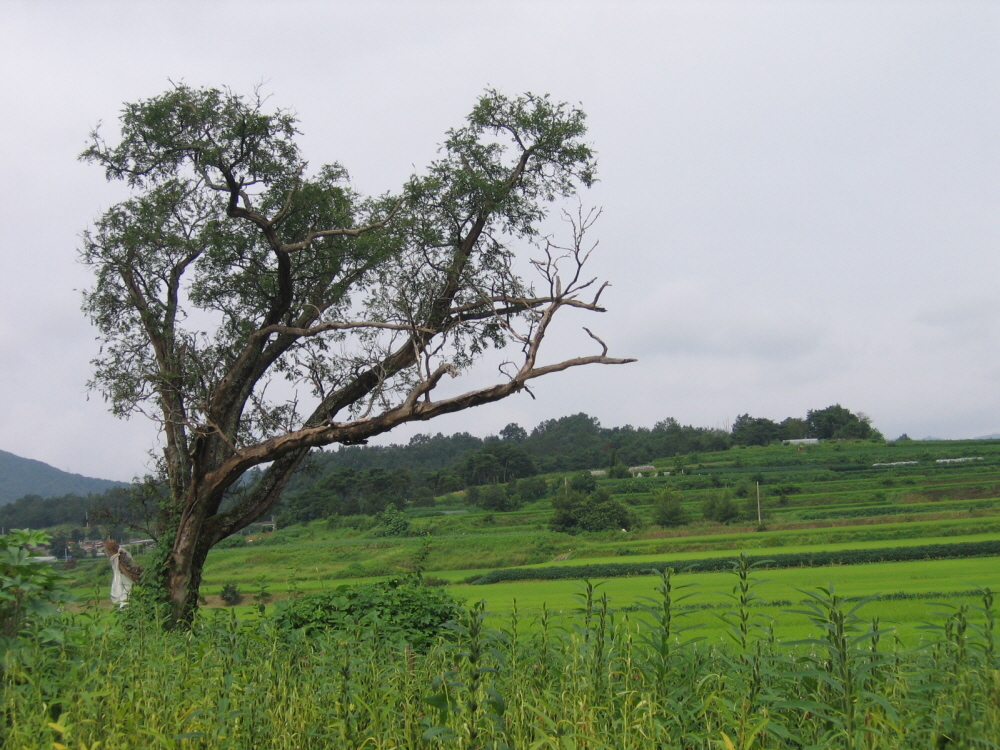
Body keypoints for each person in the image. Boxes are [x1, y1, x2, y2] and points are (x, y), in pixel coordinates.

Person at [103, 539, 141, 608]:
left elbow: (128, 574)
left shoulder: (119, 559)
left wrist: (134, 578)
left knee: (125, 601)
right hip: (127, 583)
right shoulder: (119, 556)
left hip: (127, 585)